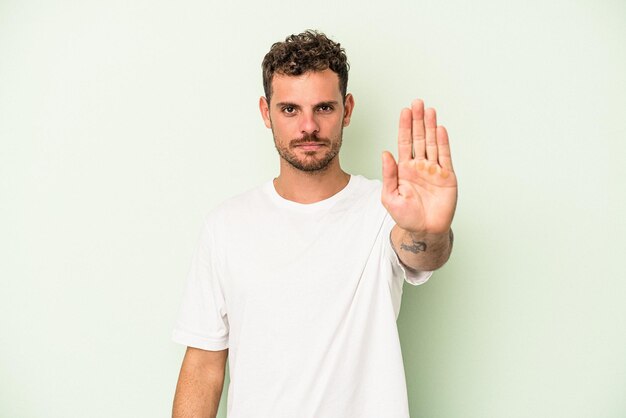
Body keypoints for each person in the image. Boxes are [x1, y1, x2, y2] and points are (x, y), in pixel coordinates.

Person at [171, 30, 457, 418]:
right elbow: (204, 366)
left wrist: (429, 230)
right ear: (265, 112)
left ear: (348, 109)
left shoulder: (384, 208)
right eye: (290, 109)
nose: (308, 127)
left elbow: (422, 254)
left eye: (323, 108)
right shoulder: (226, 225)